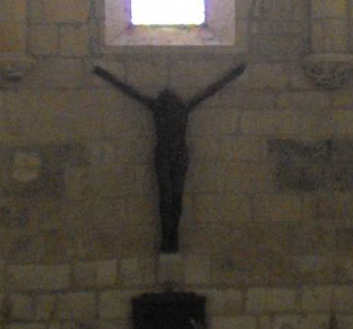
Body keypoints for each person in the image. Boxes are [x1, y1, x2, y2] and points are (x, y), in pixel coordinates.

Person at [92, 63, 245, 251]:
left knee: (173, 197)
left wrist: (234, 74)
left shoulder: (165, 107)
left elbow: (130, 91)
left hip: (173, 156)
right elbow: (210, 90)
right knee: (168, 197)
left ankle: (172, 238)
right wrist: (105, 74)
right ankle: (169, 238)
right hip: (169, 156)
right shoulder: (172, 107)